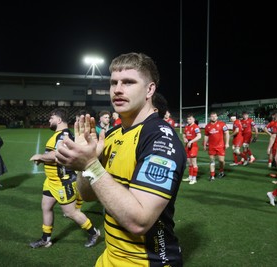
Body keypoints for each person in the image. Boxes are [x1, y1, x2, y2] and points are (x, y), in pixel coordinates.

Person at [55, 52, 186, 266]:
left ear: (149, 89)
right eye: (113, 83)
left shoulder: (160, 138)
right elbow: (86, 195)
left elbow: (139, 221)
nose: (117, 89)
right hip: (110, 257)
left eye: (128, 82)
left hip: (145, 262)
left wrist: (90, 165)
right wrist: (85, 161)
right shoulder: (114, 134)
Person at [29, 108, 100, 249]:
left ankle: (93, 233)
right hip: (51, 181)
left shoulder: (64, 135)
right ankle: (46, 239)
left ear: (59, 119)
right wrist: (43, 160)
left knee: (71, 213)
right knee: (46, 207)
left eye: (51, 118)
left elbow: (57, 155)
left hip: (62, 182)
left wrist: (40, 156)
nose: (49, 120)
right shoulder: (59, 135)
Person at [203, 111, 230, 181]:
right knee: (212, 161)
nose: (213, 117)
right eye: (212, 116)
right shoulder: (207, 126)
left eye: (215, 116)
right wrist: (205, 144)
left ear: (217, 117)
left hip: (220, 146)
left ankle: (221, 171)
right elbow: (206, 136)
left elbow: (227, 133)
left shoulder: (222, 124)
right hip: (211, 146)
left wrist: (227, 143)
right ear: (210, 117)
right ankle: (212, 176)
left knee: (221, 161)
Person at [182, 113, 202, 184]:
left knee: (194, 163)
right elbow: (184, 134)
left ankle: (194, 179)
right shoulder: (187, 127)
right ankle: (190, 177)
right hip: (187, 146)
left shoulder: (195, 127)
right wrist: (184, 139)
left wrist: (191, 141)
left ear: (193, 119)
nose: (188, 120)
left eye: (190, 119)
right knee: (189, 163)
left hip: (193, 146)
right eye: (187, 119)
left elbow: (199, 136)